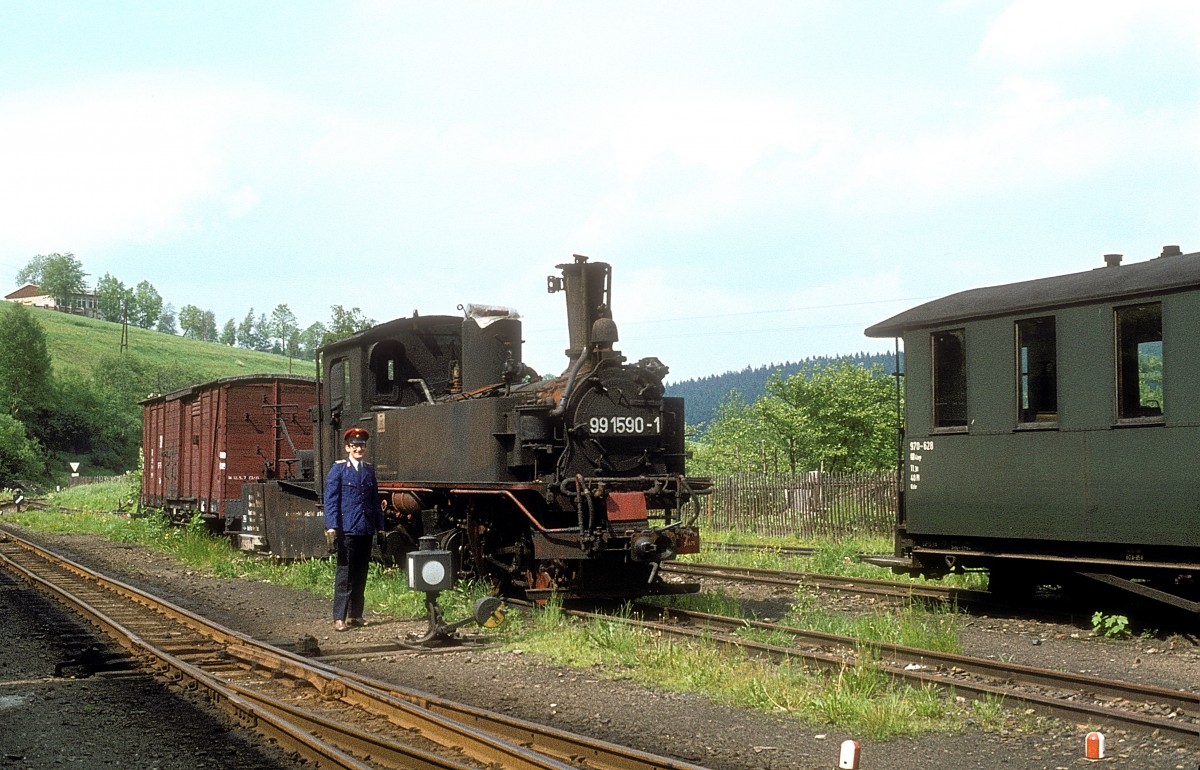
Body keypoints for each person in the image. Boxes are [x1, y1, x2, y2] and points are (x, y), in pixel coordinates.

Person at [323, 427, 384, 631]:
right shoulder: (339, 470)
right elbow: (331, 501)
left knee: (360, 573)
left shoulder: (369, 471)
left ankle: (355, 615)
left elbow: (374, 502)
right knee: (345, 574)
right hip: (347, 529)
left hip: (365, 529)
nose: (359, 449)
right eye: (355, 445)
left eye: (362, 445)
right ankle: (339, 617)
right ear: (348, 448)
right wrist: (331, 527)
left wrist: (380, 528)